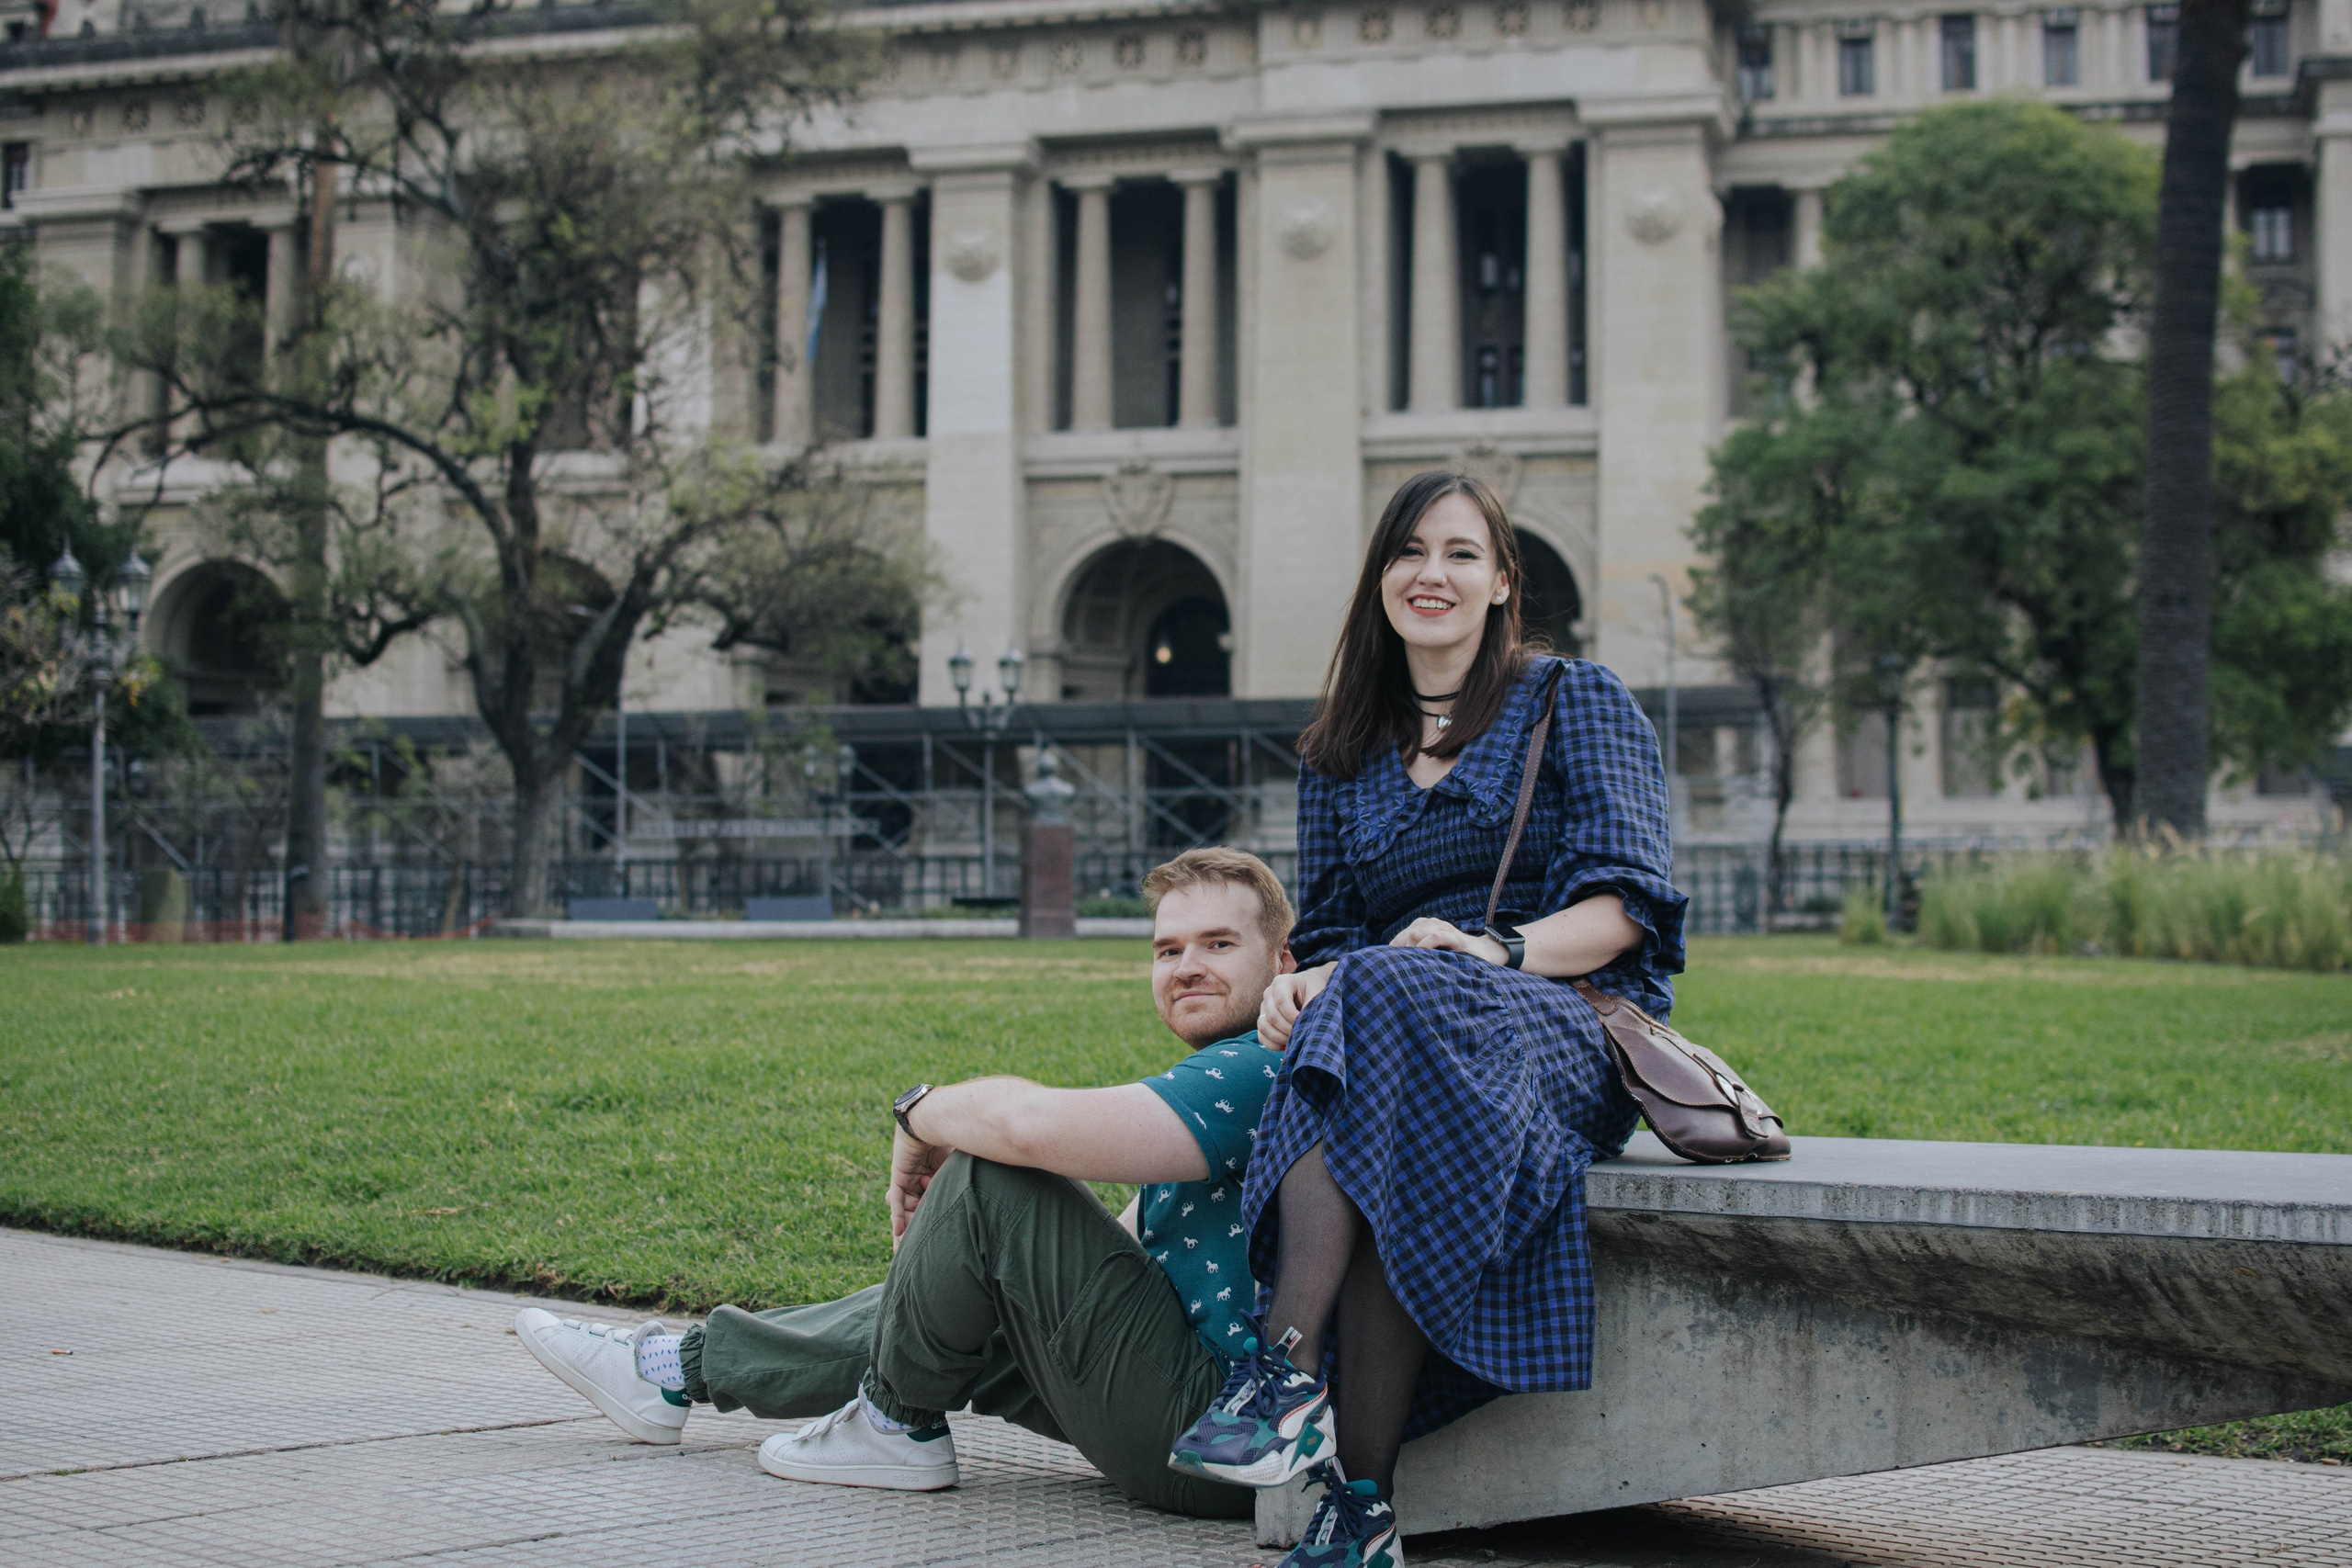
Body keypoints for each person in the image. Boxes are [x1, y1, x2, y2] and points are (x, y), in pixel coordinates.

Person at [1165, 471, 1685, 1568]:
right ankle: (1364, 1511)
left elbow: (1626, 909)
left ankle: (1286, 1375)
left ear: (1501, 582)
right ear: (1381, 579)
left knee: (1381, 1003)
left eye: (1458, 553)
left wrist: (1487, 948)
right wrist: (1301, 979)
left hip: (1557, 1021)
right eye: (1408, 551)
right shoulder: (1341, 748)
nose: (1429, 573)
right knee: (1368, 1042)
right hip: (1395, 1035)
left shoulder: (1570, 701)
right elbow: (1346, 929)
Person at [513, 848, 1299, 1522]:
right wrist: (956, 1269)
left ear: (1282, 962)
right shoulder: (1228, 1073)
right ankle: (673, 1373)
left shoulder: (1263, 1067)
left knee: (993, 1170)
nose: (1187, 966)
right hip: (1192, 1414)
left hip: (1221, 1431)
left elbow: (1025, 1129)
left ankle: (895, 1423)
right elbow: (1123, 1260)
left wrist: (920, 1114)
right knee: (966, 1295)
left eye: (1219, 943)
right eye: (1168, 950)